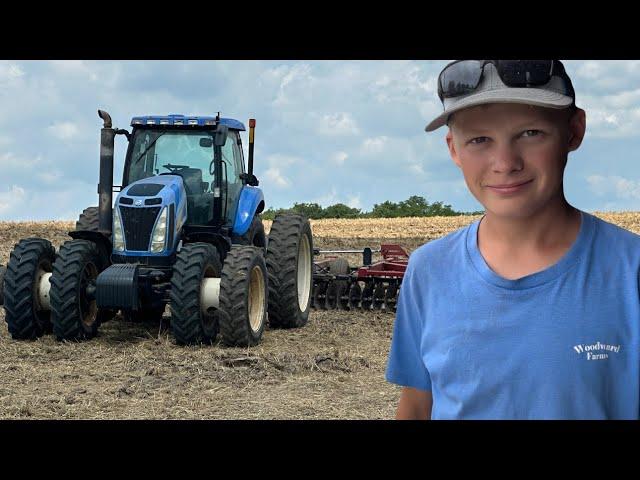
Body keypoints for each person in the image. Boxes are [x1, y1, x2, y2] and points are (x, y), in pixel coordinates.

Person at [385, 60, 640, 420]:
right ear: (453, 149)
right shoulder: (429, 269)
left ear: (574, 131)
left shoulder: (631, 271)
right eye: (479, 140)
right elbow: (416, 406)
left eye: (530, 133)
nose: (504, 163)